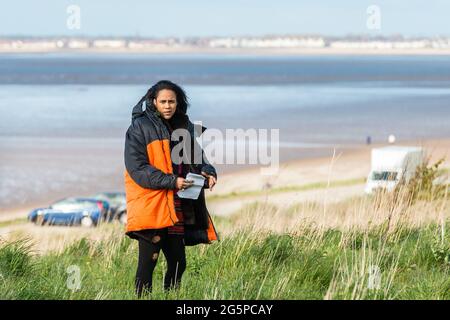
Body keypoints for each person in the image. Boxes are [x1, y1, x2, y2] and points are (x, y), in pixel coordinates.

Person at [123, 80, 219, 297]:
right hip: (152, 204)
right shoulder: (139, 128)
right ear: (153, 102)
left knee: (178, 263)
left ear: (178, 103)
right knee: (148, 264)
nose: (167, 106)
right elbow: (137, 169)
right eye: (163, 101)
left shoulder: (183, 128)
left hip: (178, 206)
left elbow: (198, 158)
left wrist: (208, 171)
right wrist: (171, 181)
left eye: (172, 102)